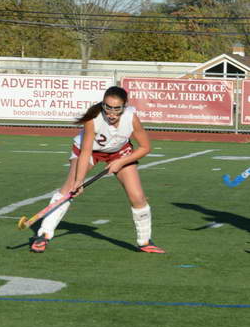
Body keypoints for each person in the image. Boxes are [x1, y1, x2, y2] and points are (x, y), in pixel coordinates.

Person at [18, 86, 165, 254]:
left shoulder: (131, 118)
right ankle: (43, 234)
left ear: (124, 106)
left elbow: (145, 147)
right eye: (107, 107)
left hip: (119, 152)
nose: (111, 113)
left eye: (116, 108)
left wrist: (121, 162)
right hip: (88, 151)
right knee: (69, 189)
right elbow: (86, 151)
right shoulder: (93, 118)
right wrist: (79, 180)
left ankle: (145, 241)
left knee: (137, 196)